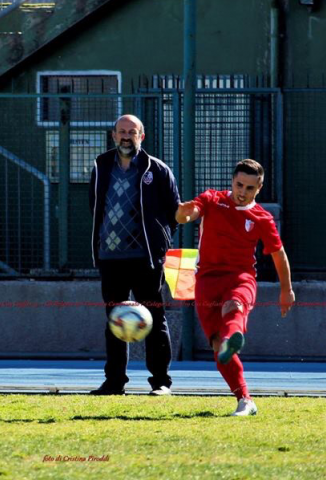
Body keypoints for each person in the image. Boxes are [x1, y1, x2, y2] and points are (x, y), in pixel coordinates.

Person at [175, 159, 295, 415]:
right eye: (239, 184)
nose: (242, 192)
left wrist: (287, 289)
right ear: (232, 181)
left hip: (241, 278)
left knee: (234, 306)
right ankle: (245, 399)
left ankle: (232, 338)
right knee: (219, 349)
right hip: (206, 281)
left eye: (250, 188)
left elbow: (278, 254)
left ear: (259, 189)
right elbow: (190, 213)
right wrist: (183, 212)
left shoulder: (261, 217)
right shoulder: (212, 198)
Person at [88, 114, 181, 396]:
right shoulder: (100, 166)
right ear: (114, 135)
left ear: (142, 136)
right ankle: (114, 383)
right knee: (115, 320)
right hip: (111, 258)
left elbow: (173, 212)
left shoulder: (158, 169)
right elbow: (95, 208)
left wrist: (160, 244)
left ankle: (161, 382)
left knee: (154, 318)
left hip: (146, 259)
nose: (126, 136)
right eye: (122, 131)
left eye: (133, 131)